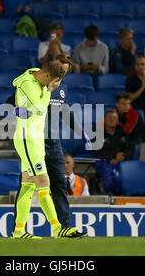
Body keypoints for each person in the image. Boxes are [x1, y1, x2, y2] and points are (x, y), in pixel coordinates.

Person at [10, 54, 89, 233]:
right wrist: (15, 111)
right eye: (59, 71)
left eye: (65, 73)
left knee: (59, 184)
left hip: (53, 142)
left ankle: (65, 227)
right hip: (33, 139)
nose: (61, 77)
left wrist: (80, 131)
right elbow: (12, 102)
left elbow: (65, 111)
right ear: (51, 68)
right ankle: (18, 228)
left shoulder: (61, 88)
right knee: (27, 182)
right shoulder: (33, 83)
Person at [93, 109, 134, 195]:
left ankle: (124, 195)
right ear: (104, 120)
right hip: (104, 161)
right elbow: (95, 152)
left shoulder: (122, 133)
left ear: (117, 121)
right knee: (107, 169)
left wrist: (123, 156)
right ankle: (109, 193)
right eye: (109, 117)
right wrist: (113, 156)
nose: (111, 120)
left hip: (121, 161)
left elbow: (130, 148)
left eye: (114, 118)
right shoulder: (97, 133)